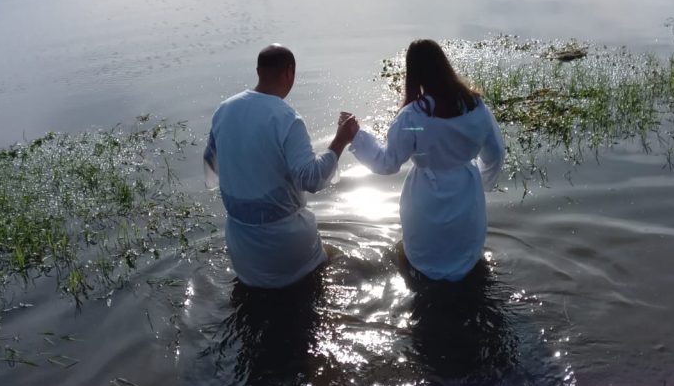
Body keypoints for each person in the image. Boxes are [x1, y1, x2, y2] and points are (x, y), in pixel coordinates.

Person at [348, 39, 505, 281]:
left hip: (425, 200)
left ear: (414, 73)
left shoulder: (412, 116)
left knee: (424, 266)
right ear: (444, 65)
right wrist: (480, 184)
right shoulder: (475, 106)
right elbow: (495, 154)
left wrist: (357, 137)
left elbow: (388, 163)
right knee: (467, 261)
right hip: (467, 197)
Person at [204, 44, 358, 289]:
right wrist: (340, 140)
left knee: (251, 301)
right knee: (307, 306)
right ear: (289, 72)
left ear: (258, 71)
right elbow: (312, 179)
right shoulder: (286, 118)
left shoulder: (224, 110)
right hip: (286, 245)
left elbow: (212, 168)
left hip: (241, 244)